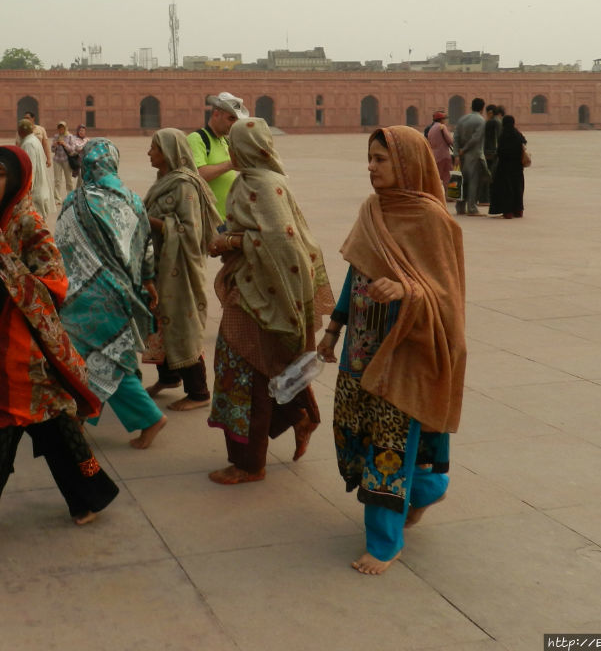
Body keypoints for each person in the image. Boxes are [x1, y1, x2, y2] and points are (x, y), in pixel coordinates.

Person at [0, 145, 118, 564]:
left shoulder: (29, 221)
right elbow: (5, 267)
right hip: (5, 339)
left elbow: (55, 283)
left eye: (0, 174)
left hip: (25, 353)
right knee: (54, 427)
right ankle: (91, 496)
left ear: (18, 179)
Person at [317, 126, 466, 575]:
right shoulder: (372, 211)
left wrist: (406, 289)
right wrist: (334, 328)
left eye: (381, 159)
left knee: (390, 445)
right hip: (361, 350)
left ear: (405, 163)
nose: (371, 167)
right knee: (358, 435)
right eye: (369, 157)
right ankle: (424, 490)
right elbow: (355, 276)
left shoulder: (432, 220)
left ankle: (384, 543)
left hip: (405, 352)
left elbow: (446, 295)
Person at [205, 118, 333, 484]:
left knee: (243, 372)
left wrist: (228, 242)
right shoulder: (255, 180)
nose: (230, 151)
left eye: (234, 144)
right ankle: (300, 414)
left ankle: (249, 464)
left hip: (257, 295)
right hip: (250, 287)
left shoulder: (261, 184)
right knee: (261, 367)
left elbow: (281, 242)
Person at [55, 138, 167, 449]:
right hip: (123, 294)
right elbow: (145, 247)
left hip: (85, 298)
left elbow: (60, 246)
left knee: (93, 356)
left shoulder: (75, 201)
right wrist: (148, 283)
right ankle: (83, 414)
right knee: (109, 352)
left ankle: (150, 418)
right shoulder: (132, 200)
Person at [142, 128, 221, 411]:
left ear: (169, 153)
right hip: (163, 265)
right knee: (160, 321)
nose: (149, 152)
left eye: (154, 148)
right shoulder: (165, 179)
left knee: (183, 323)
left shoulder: (184, 185)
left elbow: (191, 232)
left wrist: (149, 220)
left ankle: (199, 392)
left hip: (182, 269)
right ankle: (169, 377)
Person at [188, 91, 248, 218]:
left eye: (236, 120)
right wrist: (230, 165)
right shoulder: (197, 138)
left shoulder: (225, 141)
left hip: (227, 217)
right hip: (207, 220)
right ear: (216, 114)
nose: (234, 124)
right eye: (231, 118)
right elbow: (197, 175)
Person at [487, 114, 527, 219]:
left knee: (505, 189)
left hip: (504, 167)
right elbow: (523, 144)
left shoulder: (503, 135)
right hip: (517, 167)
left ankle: (508, 211)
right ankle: (518, 210)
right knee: (517, 188)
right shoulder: (517, 134)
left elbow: (500, 152)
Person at [453, 97, 486, 216]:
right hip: (474, 155)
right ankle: (472, 208)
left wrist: (457, 153)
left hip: (461, 157)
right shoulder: (481, 120)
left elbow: (455, 137)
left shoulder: (462, 119)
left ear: (471, 106)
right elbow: (476, 139)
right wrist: (464, 150)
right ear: (482, 108)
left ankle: (460, 207)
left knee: (462, 181)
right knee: (473, 182)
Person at [17, 117, 54, 222]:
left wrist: (26, 190)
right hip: (39, 189)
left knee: (35, 222)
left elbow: (30, 169)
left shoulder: (29, 144)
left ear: (21, 131)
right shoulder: (33, 140)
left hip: (34, 191)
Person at [50, 120, 83, 201]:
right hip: (57, 160)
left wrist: (65, 144)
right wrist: (54, 145)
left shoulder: (70, 136)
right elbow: (52, 150)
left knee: (68, 180)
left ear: (65, 128)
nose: (61, 130)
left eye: (62, 128)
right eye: (59, 128)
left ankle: (70, 196)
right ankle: (57, 198)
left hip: (66, 160)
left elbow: (72, 149)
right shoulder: (56, 136)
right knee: (57, 180)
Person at [478, 104, 502, 205]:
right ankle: (489, 198)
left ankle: (484, 199)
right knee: (493, 175)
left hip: (489, 153)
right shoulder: (499, 121)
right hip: (495, 152)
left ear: (490, 112)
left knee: (485, 175)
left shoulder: (491, 122)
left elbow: (485, 138)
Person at [424, 111, 453, 190]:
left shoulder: (431, 129)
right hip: (444, 155)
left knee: (436, 176)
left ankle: (434, 193)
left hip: (435, 156)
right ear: (441, 119)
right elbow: (450, 140)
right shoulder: (442, 127)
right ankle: (449, 195)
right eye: (444, 119)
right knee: (447, 176)